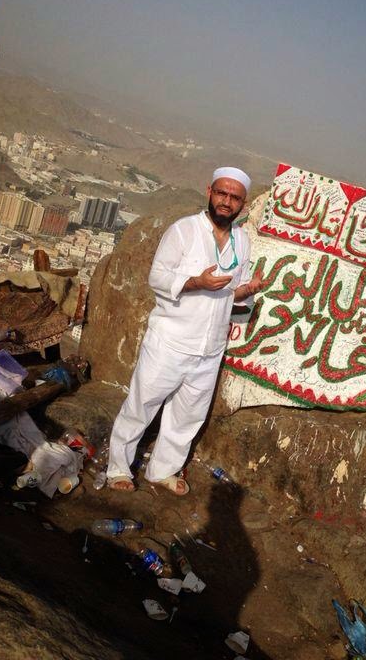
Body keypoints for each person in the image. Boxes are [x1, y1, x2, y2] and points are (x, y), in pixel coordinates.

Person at [106, 166, 263, 494]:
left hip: (209, 348)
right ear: (209, 191)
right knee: (142, 405)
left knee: (187, 416)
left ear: (242, 205)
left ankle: (162, 471)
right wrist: (195, 282)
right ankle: (118, 468)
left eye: (234, 198)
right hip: (171, 342)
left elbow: (225, 294)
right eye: (222, 193)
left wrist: (245, 292)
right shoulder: (183, 231)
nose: (226, 201)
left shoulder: (242, 243)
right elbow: (157, 278)